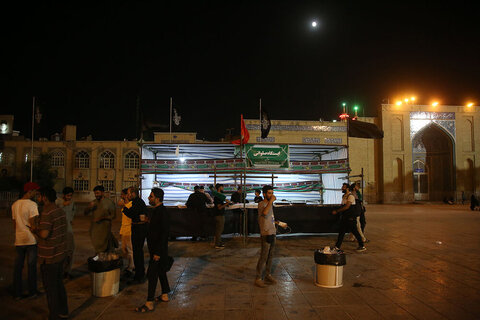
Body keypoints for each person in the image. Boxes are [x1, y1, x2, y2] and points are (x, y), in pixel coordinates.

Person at [34, 187, 68, 320]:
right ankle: (63, 312)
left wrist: (35, 230)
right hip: (60, 254)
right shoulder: (60, 210)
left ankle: (54, 315)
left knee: (51, 289)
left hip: (49, 257)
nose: (38, 199)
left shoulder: (47, 212)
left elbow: (44, 234)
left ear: (44, 197)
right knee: (59, 285)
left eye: (39, 196)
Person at [135, 188, 171, 312]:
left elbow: (164, 234)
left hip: (158, 250)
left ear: (157, 198)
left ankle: (149, 302)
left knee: (152, 274)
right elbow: (157, 228)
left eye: (151, 196)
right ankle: (165, 294)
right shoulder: (156, 211)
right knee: (161, 271)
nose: (149, 198)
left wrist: (158, 253)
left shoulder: (162, 212)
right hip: (155, 249)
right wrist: (148, 221)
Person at [12, 182, 40, 300]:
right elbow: (33, 224)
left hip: (19, 239)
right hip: (30, 239)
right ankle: (32, 291)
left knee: (18, 267)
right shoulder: (32, 204)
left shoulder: (15, 204)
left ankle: (17, 293)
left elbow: (15, 223)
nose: (36, 193)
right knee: (31, 266)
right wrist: (38, 235)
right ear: (29, 191)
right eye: (35, 191)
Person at [255, 185, 287, 288]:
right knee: (264, 256)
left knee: (270, 256)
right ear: (264, 194)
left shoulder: (270, 204)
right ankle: (258, 278)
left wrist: (278, 222)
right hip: (266, 233)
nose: (271, 195)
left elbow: (270, 217)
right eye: (269, 193)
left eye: (272, 193)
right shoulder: (261, 204)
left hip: (272, 231)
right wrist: (271, 201)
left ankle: (268, 274)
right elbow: (264, 213)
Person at [123, 186, 148, 284]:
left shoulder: (138, 202)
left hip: (139, 229)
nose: (128, 195)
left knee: (137, 252)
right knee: (137, 252)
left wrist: (125, 207)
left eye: (129, 193)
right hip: (137, 228)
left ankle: (139, 275)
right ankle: (139, 272)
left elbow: (131, 213)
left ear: (133, 193)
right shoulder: (137, 202)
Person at [332, 184, 366, 252]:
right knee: (341, 232)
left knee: (355, 232)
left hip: (350, 218)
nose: (342, 188)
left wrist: (337, 211)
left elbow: (347, 207)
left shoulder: (351, 196)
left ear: (347, 188)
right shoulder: (344, 196)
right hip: (345, 217)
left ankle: (362, 245)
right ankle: (337, 247)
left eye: (343, 187)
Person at [84, 185, 117, 254]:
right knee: (97, 246)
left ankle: (107, 260)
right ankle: (99, 259)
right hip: (95, 230)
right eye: (95, 193)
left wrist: (102, 218)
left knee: (106, 247)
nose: (96, 195)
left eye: (98, 193)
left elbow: (113, 216)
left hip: (105, 229)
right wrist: (89, 207)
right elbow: (85, 213)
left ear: (102, 193)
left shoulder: (109, 203)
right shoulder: (94, 202)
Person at [55, 187, 76, 279]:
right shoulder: (58, 201)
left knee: (70, 250)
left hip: (68, 230)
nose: (69, 197)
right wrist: (64, 204)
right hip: (59, 231)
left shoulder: (72, 203)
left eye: (71, 196)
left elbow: (72, 215)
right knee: (60, 252)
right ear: (63, 195)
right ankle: (60, 271)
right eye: (68, 195)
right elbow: (59, 205)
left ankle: (67, 271)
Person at [118, 188, 134, 278]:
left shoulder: (131, 205)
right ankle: (128, 265)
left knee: (129, 249)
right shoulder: (125, 204)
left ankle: (131, 267)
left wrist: (123, 204)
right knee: (124, 249)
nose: (121, 196)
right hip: (124, 229)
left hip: (129, 230)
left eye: (122, 194)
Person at [213, 184, 230, 249]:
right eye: (222, 187)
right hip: (219, 215)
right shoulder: (217, 197)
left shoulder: (219, 196)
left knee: (219, 230)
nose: (223, 188)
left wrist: (225, 204)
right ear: (219, 188)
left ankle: (219, 243)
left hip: (219, 214)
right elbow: (219, 207)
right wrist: (226, 204)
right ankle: (217, 244)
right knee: (219, 230)